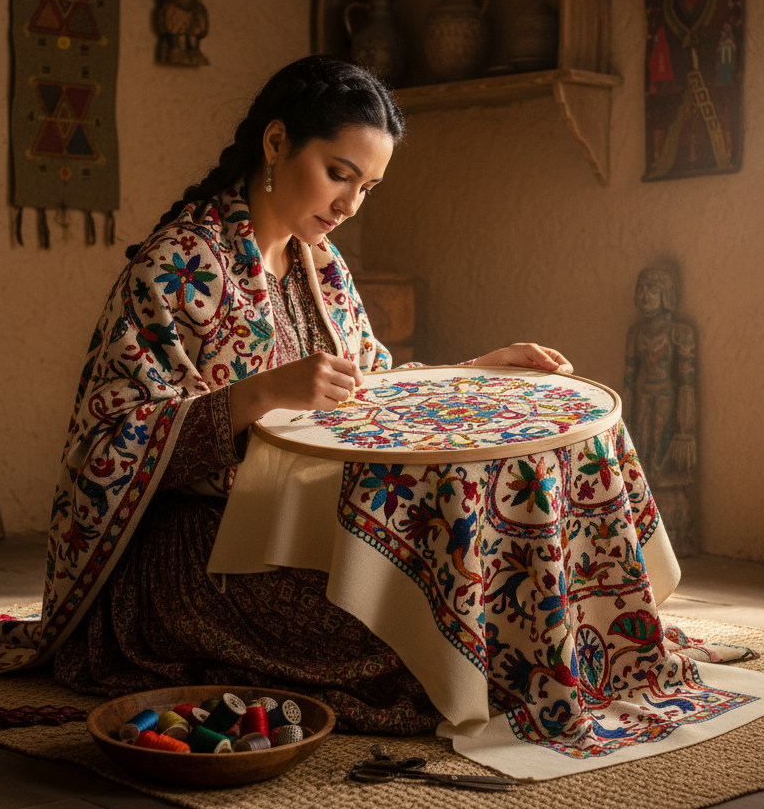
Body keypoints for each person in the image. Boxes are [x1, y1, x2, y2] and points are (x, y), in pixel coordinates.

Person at [47, 55, 575, 733]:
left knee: (481, 596)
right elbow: (103, 452)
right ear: (276, 143)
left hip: (294, 526)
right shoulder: (176, 264)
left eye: (368, 187)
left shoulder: (320, 265)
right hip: (193, 554)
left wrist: (475, 371)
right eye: (339, 174)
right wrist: (260, 394)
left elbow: (369, 392)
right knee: (418, 646)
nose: (350, 204)